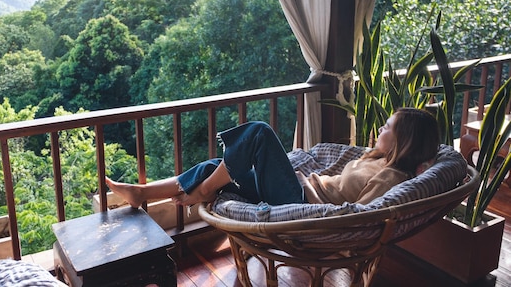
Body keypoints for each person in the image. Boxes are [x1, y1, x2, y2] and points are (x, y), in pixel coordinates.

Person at [105, 107, 440, 208]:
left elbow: (363, 216)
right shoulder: (375, 158)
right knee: (216, 166)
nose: (380, 128)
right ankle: (142, 194)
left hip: (301, 201)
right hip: (295, 186)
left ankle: (204, 191)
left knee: (260, 132)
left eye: (388, 126)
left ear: (403, 141)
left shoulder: (392, 178)